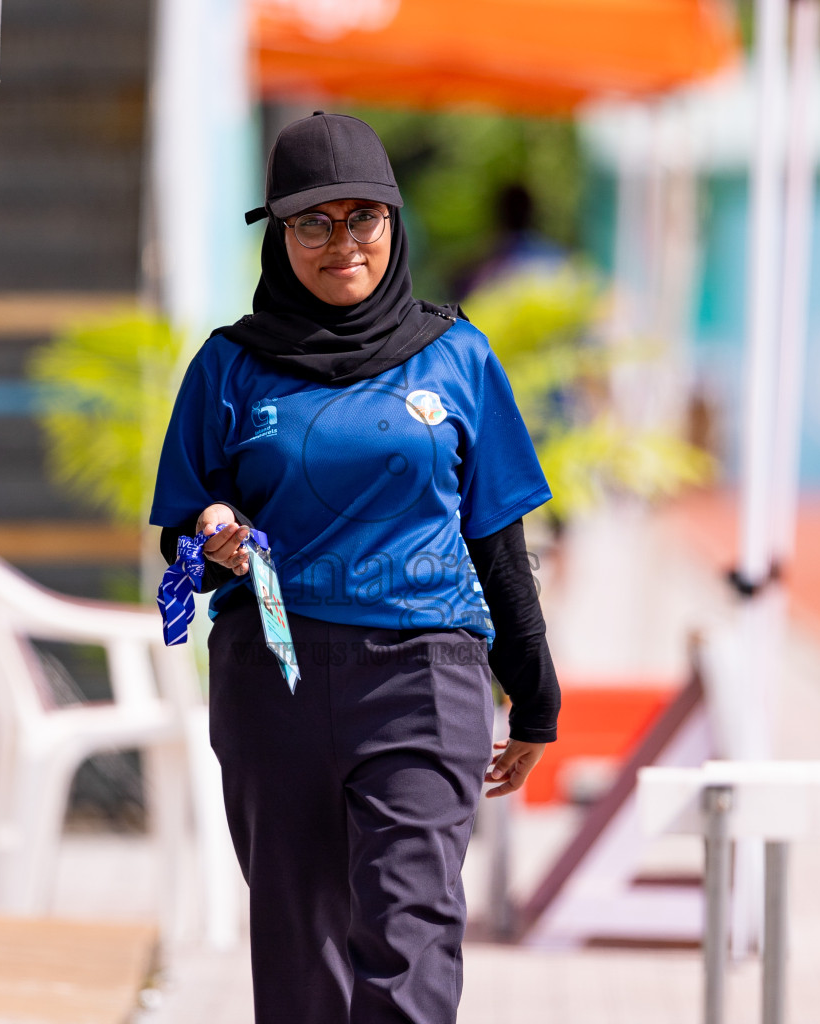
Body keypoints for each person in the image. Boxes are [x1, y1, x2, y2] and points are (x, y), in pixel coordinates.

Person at [150, 111, 561, 1024]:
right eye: (313, 223)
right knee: (300, 954)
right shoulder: (228, 366)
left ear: (394, 220)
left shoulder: (458, 355)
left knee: (410, 943)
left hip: (424, 676)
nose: (343, 244)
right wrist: (211, 529)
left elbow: (499, 537)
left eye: (362, 218)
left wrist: (534, 694)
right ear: (278, 234)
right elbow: (182, 522)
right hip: (272, 680)